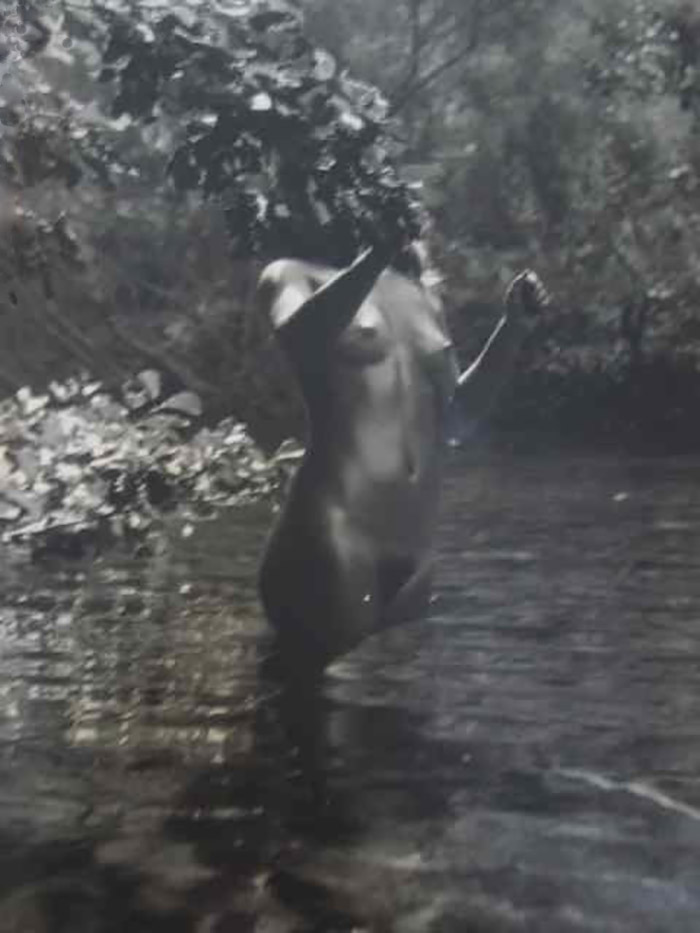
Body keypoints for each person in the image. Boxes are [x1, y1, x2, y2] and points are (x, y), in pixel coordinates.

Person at [257, 233, 547, 675]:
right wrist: (377, 253)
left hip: (412, 552)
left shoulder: (421, 293)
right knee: (309, 706)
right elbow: (302, 336)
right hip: (336, 538)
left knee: (398, 711)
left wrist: (512, 329)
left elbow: (457, 419)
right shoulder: (291, 273)